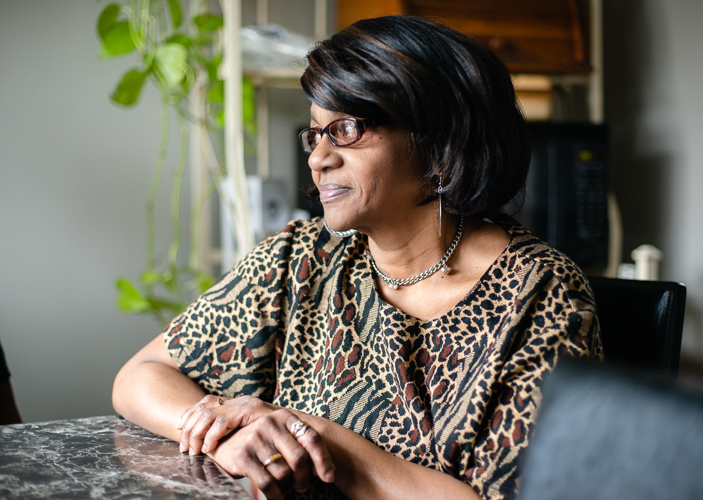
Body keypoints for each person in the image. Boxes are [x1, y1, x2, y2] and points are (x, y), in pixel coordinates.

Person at [112, 15, 603, 500]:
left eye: (345, 129)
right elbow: (140, 375)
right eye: (315, 134)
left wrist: (323, 441)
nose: (318, 157)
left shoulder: (537, 293)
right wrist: (227, 432)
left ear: (436, 143)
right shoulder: (302, 258)